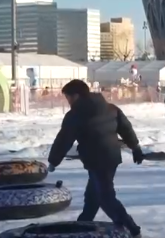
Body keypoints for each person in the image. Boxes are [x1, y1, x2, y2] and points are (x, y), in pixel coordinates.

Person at [47, 79, 144, 238]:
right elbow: (126, 128)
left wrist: (53, 160)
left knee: (105, 198)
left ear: (76, 96)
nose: (68, 101)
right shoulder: (110, 108)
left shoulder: (75, 115)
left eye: (68, 97)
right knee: (93, 197)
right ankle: (82, 225)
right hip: (111, 157)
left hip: (96, 159)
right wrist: (135, 147)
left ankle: (132, 229)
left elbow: (64, 139)